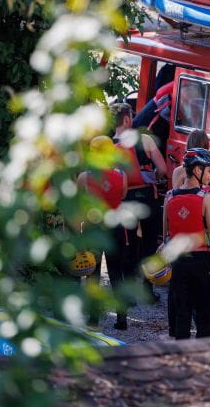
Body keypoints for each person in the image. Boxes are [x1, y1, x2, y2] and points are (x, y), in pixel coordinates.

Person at [162, 148, 210, 339]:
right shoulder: (207, 198)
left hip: (178, 260)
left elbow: (166, 234)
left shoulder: (169, 196)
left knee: (182, 314)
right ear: (197, 170)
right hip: (202, 262)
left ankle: (181, 359)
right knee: (204, 314)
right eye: (209, 171)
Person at [110, 102, 168, 282]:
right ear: (127, 119)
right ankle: (147, 287)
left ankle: (128, 288)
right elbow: (163, 169)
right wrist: (153, 176)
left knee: (128, 243)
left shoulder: (108, 146)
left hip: (124, 200)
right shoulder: (145, 140)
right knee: (150, 243)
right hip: (148, 197)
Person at [77, 135, 130, 330]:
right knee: (117, 274)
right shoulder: (121, 174)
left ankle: (93, 319)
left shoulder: (85, 177)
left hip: (94, 228)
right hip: (116, 226)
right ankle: (122, 318)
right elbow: (122, 196)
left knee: (93, 276)